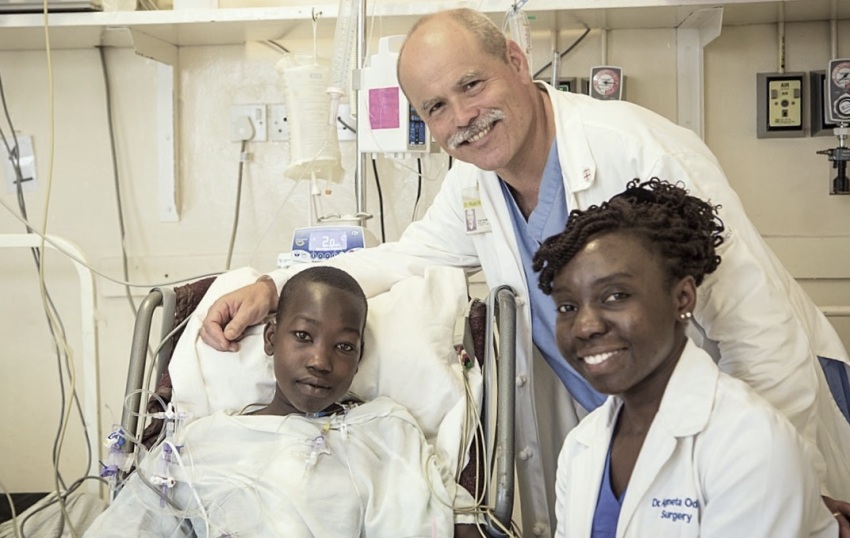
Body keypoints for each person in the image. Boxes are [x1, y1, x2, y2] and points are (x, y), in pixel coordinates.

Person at [198, 8, 850, 535]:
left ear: (515, 60)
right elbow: (410, 255)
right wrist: (273, 286)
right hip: (630, 433)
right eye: (436, 108)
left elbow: (760, 326)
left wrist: (798, 486)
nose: (462, 118)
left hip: (759, 411)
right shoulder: (474, 184)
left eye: (472, 85)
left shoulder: (635, 149)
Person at [534, 178, 837, 537]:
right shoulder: (582, 446)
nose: (585, 326)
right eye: (568, 306)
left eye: (615, 296)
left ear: (682, 298)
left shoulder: (751, 444)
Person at [86, 266, 477, 537]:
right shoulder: (201, 445)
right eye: (303, 336)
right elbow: (130, 525)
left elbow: (450, 515)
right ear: (271, 338)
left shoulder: (390, 432)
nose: (321, 361)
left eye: (343, 346)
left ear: (359, 358)